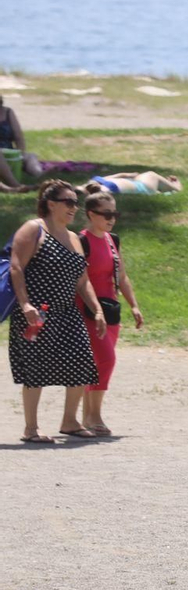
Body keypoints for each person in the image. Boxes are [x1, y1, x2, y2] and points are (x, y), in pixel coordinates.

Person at [8, 180, 106, 443]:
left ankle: (70, 421)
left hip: (67, 311)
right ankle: (31, 428)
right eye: (68, 202)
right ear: (51, 204)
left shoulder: (74, 237)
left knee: (82, 361)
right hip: (37, 312)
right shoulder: (34, 229)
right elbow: (17, 267)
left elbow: (82, 281)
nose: (74, 207)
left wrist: (96, 309)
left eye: (76, 202)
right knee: (36, 368)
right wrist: (25, 304)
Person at [75, 188, 143, 436]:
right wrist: (95, 309)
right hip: (88, 310)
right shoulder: (81, 240)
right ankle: (94, 416)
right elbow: (81, 280)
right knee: (106, 359)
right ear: (91, 214)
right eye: (106, 214)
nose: (111, 218)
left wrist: (134, 305)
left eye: (114, 213)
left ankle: (88, 416)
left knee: (98, 362)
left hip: (111, 309)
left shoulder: (112, 239)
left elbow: (122, 276)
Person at [0, 95, 30, 191]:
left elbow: (18, 136)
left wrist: (21, 154)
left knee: (33, 166)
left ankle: (9, 188)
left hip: (8, 152)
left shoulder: (7, 112)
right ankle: (14, 185)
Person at [84, 173, 182, 196]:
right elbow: (121, 175)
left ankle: (164, 187)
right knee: (151, 174)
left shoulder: (100, 183)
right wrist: (131, 174)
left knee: (143, 177)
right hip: (143, 187)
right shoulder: (100, 181)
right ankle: (176, 187)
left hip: (137, 184)